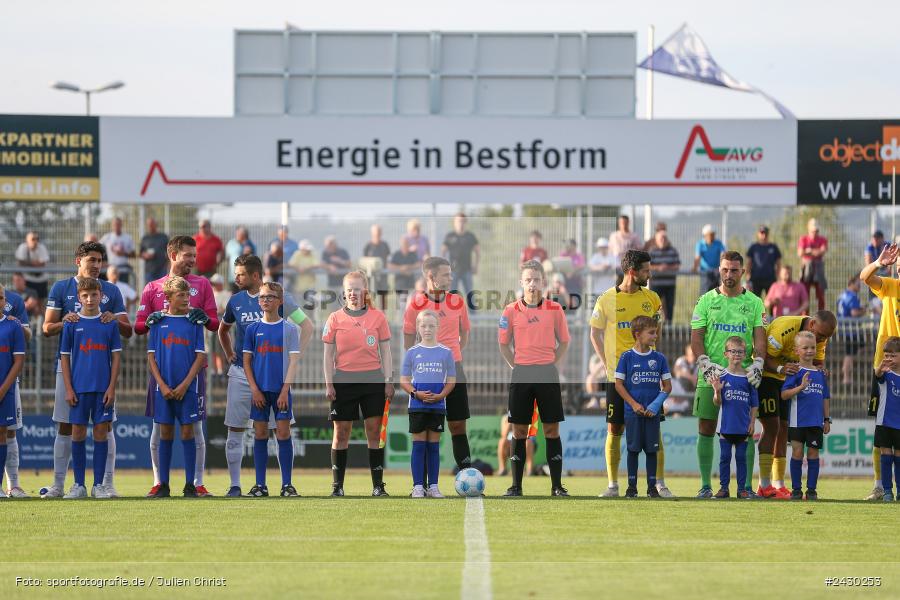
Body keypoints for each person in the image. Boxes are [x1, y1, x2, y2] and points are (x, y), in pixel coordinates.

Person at [41, 241, 132, 499]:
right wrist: (64, 321)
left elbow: (127, 329)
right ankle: (61, 484)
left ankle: (106, 483)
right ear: (78, 261)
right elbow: (46, 328)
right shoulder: (61, 287)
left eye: (100, 260)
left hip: (100, 372)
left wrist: (113, 318)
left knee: (106, 426)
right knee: (66, 426)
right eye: (91, 259)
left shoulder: (111, 291)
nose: (96, 265)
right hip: (70, 368)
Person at [218, 255, 312, 497]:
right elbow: (223, 329)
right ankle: (237, 485)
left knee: (281, 431)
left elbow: (307, 325)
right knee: (238, 429)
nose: (236, 278)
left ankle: (285, 484)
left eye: (240, 274)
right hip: (243, 374)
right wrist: (229, 354)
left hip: (276, 378)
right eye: (235, 273)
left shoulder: (282, 298)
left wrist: (294, 357)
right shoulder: (236, 301)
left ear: (256, 275)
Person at [135, 235, 219, 498]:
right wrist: (151, 319)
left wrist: (205, 318)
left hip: (191, 373)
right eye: (188, 256)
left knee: (194, 427)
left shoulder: (203, 284)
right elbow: (138, 327)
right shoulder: (152, 287)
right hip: (162, 372)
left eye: (195, 256)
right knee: (159, 428)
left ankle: (196, 481)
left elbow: (214, 323)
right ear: (173, 255)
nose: (193, 260)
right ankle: (160, 481)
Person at [590, 250, 672, 497]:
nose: (650, 274)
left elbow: (659, 325)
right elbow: (594, 333)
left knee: (654, 430)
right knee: (615, 430)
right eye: (646, 270)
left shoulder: (652, 298)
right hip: (618, 378)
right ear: (632, 271)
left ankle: (659, 483)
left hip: (647, 377)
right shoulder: (606, 299)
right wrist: (606, 364)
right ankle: (613, 485)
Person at [690, 250, 766, 499]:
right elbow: (696, 337)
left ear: (743, 272)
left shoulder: (754, 303)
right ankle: (705, 485)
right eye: (725, 269)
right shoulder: (705, 301)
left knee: (747, 430)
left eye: (734, 270)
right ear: (719, 270)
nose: (729, 274)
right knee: (706, 427)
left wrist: (758, 364)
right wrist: (704, 363)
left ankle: (745, 488)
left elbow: (760, 338)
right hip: (711, 375)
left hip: (743, 377)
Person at [498, 260, 570, 497]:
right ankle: (516, 486)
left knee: (551, 429)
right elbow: (503, 344)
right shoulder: (510, 310)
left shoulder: (554, 309)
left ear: (543, 282)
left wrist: (552, 363)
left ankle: (557, 486)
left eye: (536, 279)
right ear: (521, 282)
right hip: (522, 373)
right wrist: (516, 366)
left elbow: (565, 341)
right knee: (518, 431)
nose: (532, 284)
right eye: (528, 280)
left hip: (547, 373)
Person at [323, 271, 393, 497]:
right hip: (343, 380)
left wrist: (388, 381)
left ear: (365, 290)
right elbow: (327, 354)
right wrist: (329, 383)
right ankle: (337, 487)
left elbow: (386, 352)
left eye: (357, 289)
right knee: (341, 433)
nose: (353, 293)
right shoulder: (334, 318)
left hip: (372, 380)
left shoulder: (378, 317)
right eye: (349, 289)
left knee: (373, 432)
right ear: (344, 293)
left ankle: (378, 486)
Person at [403, 257, 473, 474]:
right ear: (431, 276)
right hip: (426, 374)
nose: (451, 278)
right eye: (446, 275)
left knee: (458, 425)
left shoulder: (458, 302)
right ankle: (422, 485)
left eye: (451, 274)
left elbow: (465, 333)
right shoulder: (415, 304)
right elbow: (408, 338)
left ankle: (466, 476)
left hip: (454, 369)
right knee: (425, 430)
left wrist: (452, 356)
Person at [756, 311, 836, 499]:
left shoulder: (819, 337)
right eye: (821, 335)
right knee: (771, 426)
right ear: (812, 324)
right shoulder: (784, 328)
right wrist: (781, 368)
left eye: (826, 338)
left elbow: (817, 363)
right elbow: (763, 357)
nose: (822, 340)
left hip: (790, 381)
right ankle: (764, 484)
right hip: (768, 376)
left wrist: (821, 370)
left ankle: (779, 484)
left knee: (784, 428)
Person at [59, 277, 122, 499]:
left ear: (100, 295)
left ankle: (98, 485)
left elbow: (116, 359)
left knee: (100, 432)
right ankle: (78, 485)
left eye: (94, 295)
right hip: (78, 389)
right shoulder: (71, 323)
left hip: (102, 389)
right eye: (85, 295)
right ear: (79, 298)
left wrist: (112, 388)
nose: (89, 299)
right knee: (77, 432)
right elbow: (64, 358)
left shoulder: (109, 323)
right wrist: (68, 388)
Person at [146, 276, 207, 498]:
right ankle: (163, 484)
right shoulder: (158, 323)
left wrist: (184, 385)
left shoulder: (194, 323)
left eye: (187, 294)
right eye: (180, 295)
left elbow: (200, 357)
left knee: (188, 431)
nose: (185, 299)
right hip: (163, 389)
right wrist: (162, 385)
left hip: (187, 388)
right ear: (168, 297)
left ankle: (190, 484)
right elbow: (151, 358)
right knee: (165, 432)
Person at [242, 281, 302, 498]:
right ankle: (260, 485)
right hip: (259, 390)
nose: (265, 300)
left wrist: (285, 390)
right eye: (262, 297)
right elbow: (247, 362)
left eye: (270, 297)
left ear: (280, 301)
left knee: (283, 433)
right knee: (259, 433)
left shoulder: (289, 329)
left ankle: (287, 485)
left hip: (281, 390)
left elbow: (294, 361)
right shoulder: (252, 329)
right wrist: (254, 389)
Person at [859, 243, 900, 500]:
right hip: (883, 369)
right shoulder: (890, 287)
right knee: (881, 426)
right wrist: (877, 263)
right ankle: (879, 485)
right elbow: (865, 277)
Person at [400, 310, 456, 498]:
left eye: (432, 326)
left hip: (438, 406)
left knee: (433, 446)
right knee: (418, 445)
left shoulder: (446, 353)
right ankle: (418, 486)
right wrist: (416, 394)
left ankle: (433, 486)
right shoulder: (412, 353)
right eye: (423, 325)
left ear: (438, 328)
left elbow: (451, 381)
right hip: (417, 405)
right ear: (418, 327)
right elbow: (404, 381)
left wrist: (440, 396)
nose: (427, 329)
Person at [614, 315, 671, 498]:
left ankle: (651, 487)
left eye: (656, 332)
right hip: (633, 413)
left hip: (652, 414)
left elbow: (667, 386)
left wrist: (655, 405)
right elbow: (618, 384)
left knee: (652, 450)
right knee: (633, 449)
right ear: (637, 334)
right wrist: (633, 404)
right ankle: (631, 487)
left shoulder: (660, 358)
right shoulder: (626, 357)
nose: (655, 336)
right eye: (651, 333)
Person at [780, 331, 831, 501]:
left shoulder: (820, 373)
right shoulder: (794, 371)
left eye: (813, 347)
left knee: (813, 455)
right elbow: (784, 395)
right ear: (796, 351)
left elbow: (825, 397)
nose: (810, 351)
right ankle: (796, 490)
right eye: (805, 348)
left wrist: (826, 419)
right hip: (797, 422)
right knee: (797, 452)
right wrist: (800, 387)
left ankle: (811, 490)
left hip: (815, 422)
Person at [709, 336, 758, 499]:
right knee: (724, 457)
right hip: (725, 425)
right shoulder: (721, 376)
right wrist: (717, 391)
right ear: (726, 354)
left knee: (741, 458)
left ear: (745, 355)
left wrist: (752, 422)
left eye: (740, 352)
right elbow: (717, 402)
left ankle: (742, 489)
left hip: (743, 426)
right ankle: (724, 488)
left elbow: (754, 404)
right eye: (733, 351)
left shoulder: (749, 378)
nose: (736, 354)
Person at [0, 284, 25, 500]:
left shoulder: (12, 323)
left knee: (6, 432)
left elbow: (19, 360)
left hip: (6, 388)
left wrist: (3, 389)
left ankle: (10, 485)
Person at [873, 337, 900, 502]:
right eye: (886, 355)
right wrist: (879, 370)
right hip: (884, 423)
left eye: (893, 355)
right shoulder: (885, 373)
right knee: (886, 456)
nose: (888, 359)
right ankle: (887, 491)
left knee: (898, 458)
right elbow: (878, 376)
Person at [645, 223, 680, 321]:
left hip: (670, 284)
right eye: (661, 238)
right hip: (656, 284)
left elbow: (677, 265)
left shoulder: (673, 251)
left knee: (669, 308)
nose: (663, 240)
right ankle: (652, 327)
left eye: (664, 238)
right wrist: (658, 268)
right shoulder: (652, 251)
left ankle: (669, 329)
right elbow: (647, 266)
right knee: (654, 308)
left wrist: (667, 267)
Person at [442, 212, 480, 300]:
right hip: (453, 270)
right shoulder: (449, 236)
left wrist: (476, 266)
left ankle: (473, 313)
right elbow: (443, 251)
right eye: (458, 221)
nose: (461, 223)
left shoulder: (470, 236)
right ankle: (451, 313)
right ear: (454, 222)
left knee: (470, 294)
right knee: (452, 294)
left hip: (467, 270)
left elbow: (477, 251)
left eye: (463, 221)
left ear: (466, 222)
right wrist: (445, 268)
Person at [837, 275, 865, 385]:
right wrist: (864, 310)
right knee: (849, 353)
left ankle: (847, 369)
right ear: (851, 284)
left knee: (855, 350)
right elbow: (854, 313)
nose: (860, 286)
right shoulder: (853, 296)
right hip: (851, 329)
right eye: (858, 284)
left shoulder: (842, 295)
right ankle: (846, 377)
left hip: (844, 328)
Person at [798, 218, 828, 312]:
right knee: (805, 294)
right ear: (809, 229)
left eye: (816, 231)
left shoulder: (823, 239)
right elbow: (800, 253)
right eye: (813, 231)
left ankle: (821, 316)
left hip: (818, 268)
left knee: (820, 294)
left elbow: (822, 251)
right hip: (806, 268)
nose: (815, 233)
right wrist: (816, 252)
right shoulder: (803, 239)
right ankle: (805, 317)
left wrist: (808, 251)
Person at [746, 226, 782, 299]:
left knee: (772, 300)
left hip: (770, 278)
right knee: (755, 301)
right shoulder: (754, 247)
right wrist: (748, 275)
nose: (764, 235)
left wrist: (778, 276)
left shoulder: (773, 247)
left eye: (765, 233)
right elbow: (749, 262)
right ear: (758, 234)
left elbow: (778, 263)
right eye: (762, 233)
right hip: (756, 278)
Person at [15, 230, 50, 302]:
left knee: (40, 302)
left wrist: (27, 263)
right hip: (27, 280)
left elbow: (42, 263)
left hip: (41, 279)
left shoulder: (41, 247)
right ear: (27, 240)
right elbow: (20, 262)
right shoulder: (22, 247)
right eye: (33, 239)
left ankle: (38, 314)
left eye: (37, 239)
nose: (35, 241)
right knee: (30, 301)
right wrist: (35, 263)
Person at [99, 217, 137, 285]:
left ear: (121, 225)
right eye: (115, 224)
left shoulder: (127, 237)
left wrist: (123, 253)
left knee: (123, 289)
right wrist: (102, 261)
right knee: (110, 288)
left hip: (123, 269)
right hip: (110, 268)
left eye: (118, 224)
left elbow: (134, 254)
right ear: (112, 226)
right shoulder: (107, 237)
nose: (116, 226)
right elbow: (97, 248)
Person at [693, 224, 726, 294]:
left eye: (713, 234)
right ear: (705, 235)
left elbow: (723, 255)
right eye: (709, 235)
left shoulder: (718, 243)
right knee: (704, 295)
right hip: (705, 274)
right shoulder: (700, 244)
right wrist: (695, 267)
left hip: (716, 273)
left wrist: (724, 267)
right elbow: (697, 257)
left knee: (716, 295)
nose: (711, 237)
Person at [209, 274, 231, 377]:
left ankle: (220, 370)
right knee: (212, 348)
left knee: (220, 348)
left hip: (222, 325)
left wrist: (215, 310)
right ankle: (215, 370)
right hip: (212, 325)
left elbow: (224, 309)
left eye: (216, 283)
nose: (214, 285)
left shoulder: (226, 294)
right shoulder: (211, 294)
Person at [389, 236, 421, 303]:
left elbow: (418, 264)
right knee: (402, 306)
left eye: (407, 244)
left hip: (411, 284)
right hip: (400, 285)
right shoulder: (396, 254)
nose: (405, 246)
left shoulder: (412, 254)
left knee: (411, 304)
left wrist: (408, 267)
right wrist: (401, 268)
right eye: (404, 244)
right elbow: (390, 265)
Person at [362, 224, 391, 295]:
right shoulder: (368, 246)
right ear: (372, 233)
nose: (378, 233)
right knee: (372, 296)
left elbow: (388, 258)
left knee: (383, 295)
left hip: (383, 275)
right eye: (376, 232)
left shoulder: (385, 245)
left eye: (379, 231)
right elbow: (365, 260)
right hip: (371, 277)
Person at [139, 217, 170, 284]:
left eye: (152, 224)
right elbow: (141, 253)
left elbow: (169, 252)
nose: (150, 226)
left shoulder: (163, 237)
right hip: (149, 271)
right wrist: (146, 255)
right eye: (149, 225)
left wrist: (169, 265)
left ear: (156, 225)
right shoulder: (145, 238)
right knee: (150, 290)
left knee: (162, 290)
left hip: (162, 269)